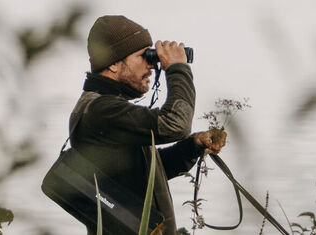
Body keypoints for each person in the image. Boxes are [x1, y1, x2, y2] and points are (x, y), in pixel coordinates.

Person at [68, 15, 225, 235]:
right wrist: (178, 68)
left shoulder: (103, 107)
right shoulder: (101, 110)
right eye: (144, 56)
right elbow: (176, 124)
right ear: (113, 64)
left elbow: (142, 173)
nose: (152, 65)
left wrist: (193, 146)